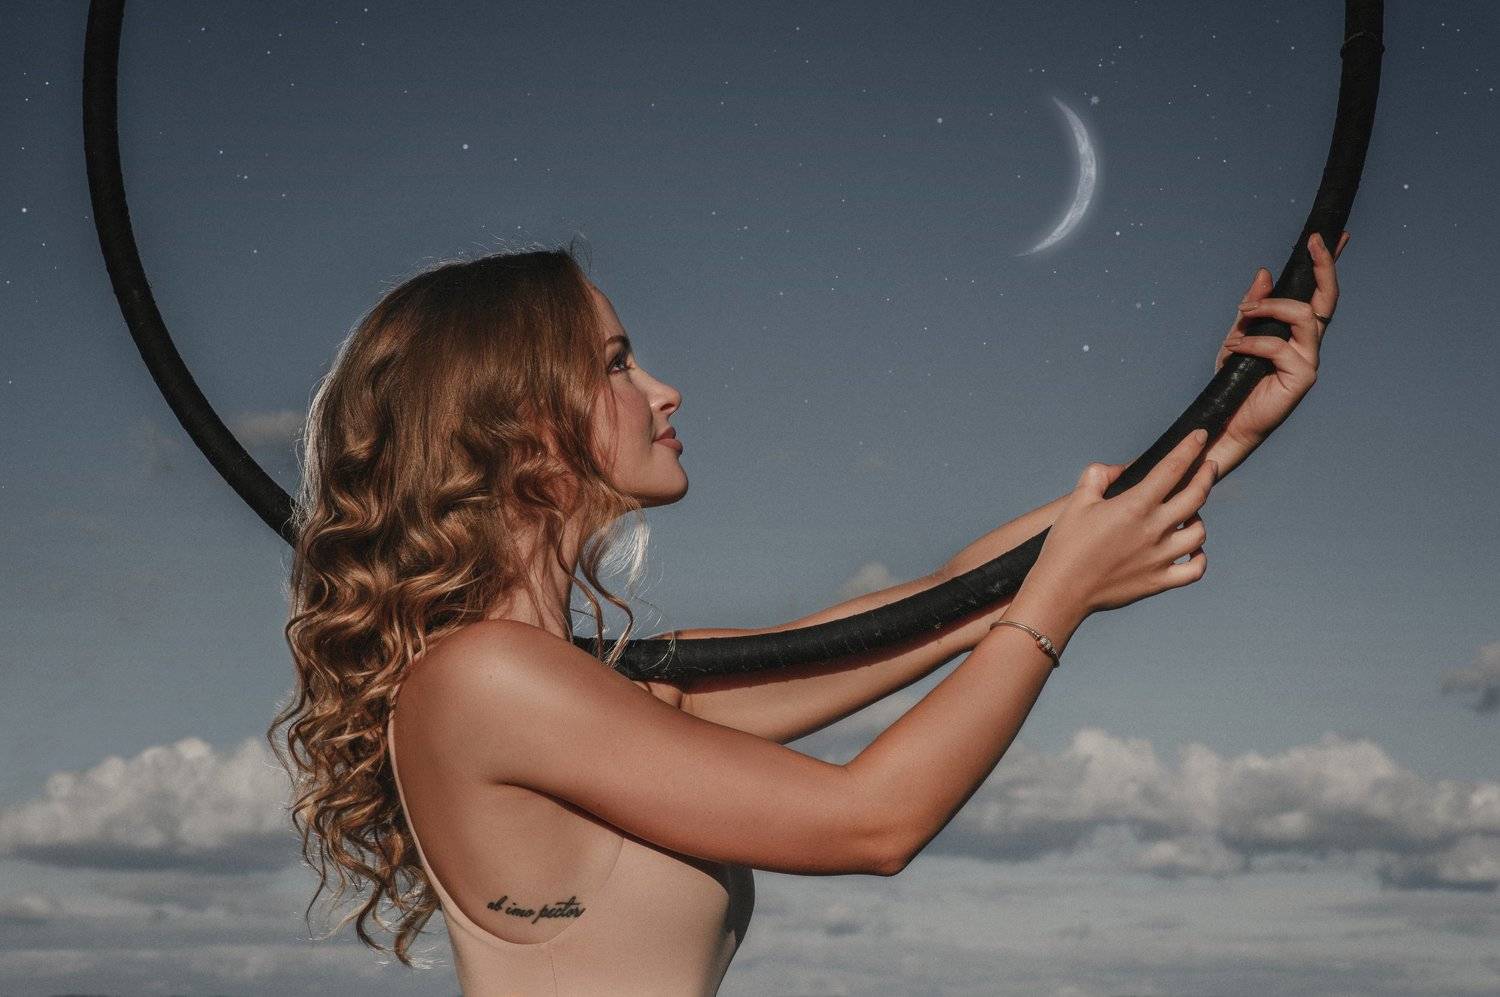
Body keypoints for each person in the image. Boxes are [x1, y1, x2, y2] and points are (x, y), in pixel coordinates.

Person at [269, 231, 1346, 995]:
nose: (664, 390)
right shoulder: (486, 679)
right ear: (520, 420)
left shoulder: (603, 687)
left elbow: (940, 603)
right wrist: (1059, 603)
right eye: (617, 364)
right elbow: (871, 822)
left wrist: (1223, 428)